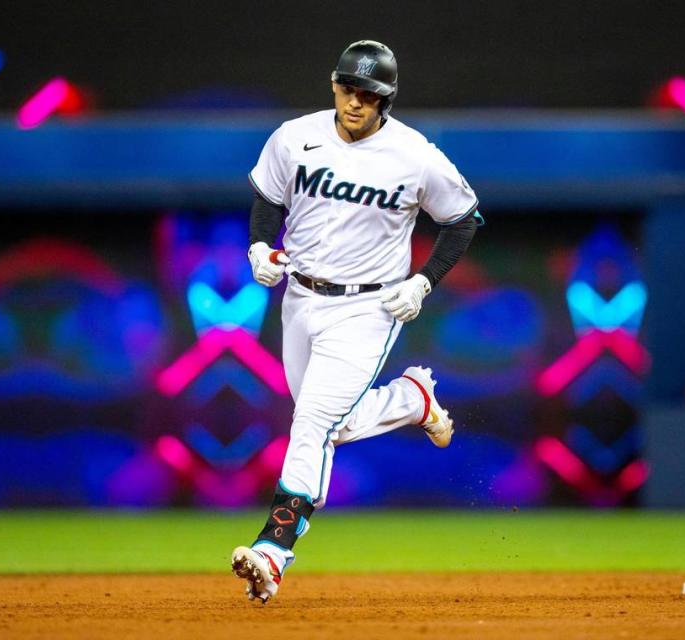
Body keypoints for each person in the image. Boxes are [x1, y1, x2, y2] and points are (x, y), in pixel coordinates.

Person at [230, 40, 481, 603]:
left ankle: (274, 548)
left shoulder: (415, 154)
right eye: (349, 88)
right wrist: (261, 249)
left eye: (370, 94)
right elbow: (269, 200)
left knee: (313, 422)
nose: (357, 101)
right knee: (330, 426)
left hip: (369, 307)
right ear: (334, 84)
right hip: (300, 297)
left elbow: (463, 219)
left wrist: (423, 281)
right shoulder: (295, 137)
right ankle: (411, 401)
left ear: (386, 99)